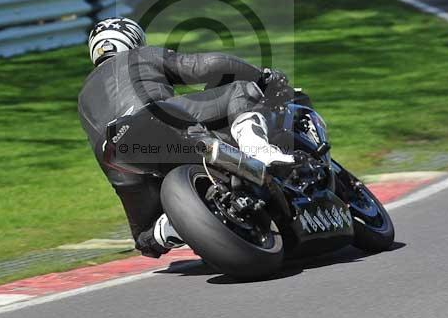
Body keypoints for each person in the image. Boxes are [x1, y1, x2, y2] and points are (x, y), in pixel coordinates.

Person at [77, 17, 297, 258]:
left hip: (117, 156)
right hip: (157, 117)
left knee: (146, 238)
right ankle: (259, 152)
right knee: (241, 89)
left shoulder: (83, 97)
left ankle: (170, 227)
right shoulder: (140, 56)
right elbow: (204, 65)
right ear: (133, 39)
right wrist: (262, 77)